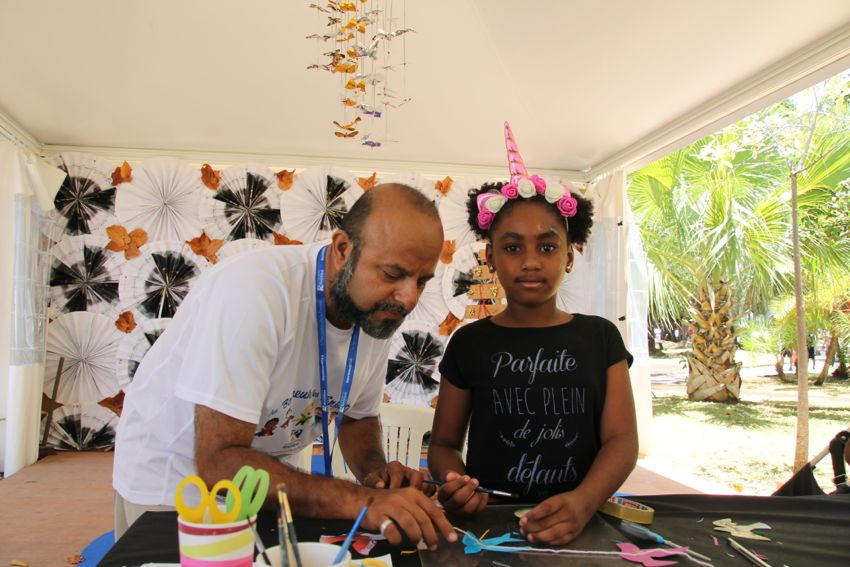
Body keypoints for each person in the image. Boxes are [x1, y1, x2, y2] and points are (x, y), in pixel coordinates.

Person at [113, 183, 457, 549]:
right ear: (343, 249)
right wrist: (361, 501)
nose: (409, 298)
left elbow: (356, 416)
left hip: (267, 487)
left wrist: (377, 478)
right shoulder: (255, 291)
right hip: (177, 489)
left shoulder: (374, 308)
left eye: (422, 280)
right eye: (392, 274)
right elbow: (219, 462)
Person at [428, 123, 638, 546]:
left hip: (581, 522)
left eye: (546, 247)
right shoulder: (469, 344)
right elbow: (444, 444)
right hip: (491, 523)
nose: (530, 262)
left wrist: (583, 501)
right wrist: (456, 484)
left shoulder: (600, 338)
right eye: (512, 247)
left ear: (569, 256)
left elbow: (622, 440)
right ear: (490, 257)